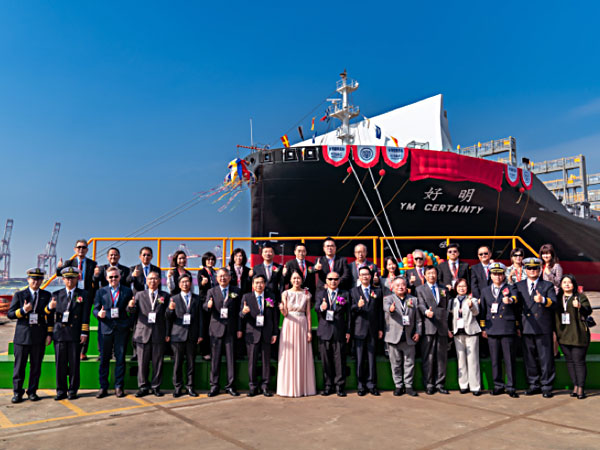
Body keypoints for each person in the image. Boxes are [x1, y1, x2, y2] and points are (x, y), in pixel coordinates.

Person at [8, 268, 53, 404]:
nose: (36, 281)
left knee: (36, 366)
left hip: (39, 336)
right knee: (19, 367)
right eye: (33, 279)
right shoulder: (20, 295)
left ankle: (32, 391)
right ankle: (17, 392)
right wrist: (22, 310)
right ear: (28, 280)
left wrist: (49, 333)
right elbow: (10, 314)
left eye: (39, 279)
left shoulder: (46, 295)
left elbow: (49, 317)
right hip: (22, 337)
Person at [515, 257, 558, 398]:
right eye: (529, 268)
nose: (532, 271)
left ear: (540, 270)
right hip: (527, 326)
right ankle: (533, 384)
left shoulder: (547, 286)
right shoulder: (519, 285)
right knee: (530, 358)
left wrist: (543, 300)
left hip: (542, 326)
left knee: (545, 358)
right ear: (525, 270)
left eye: (535, 268)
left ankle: (546, 385)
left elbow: (554, 303)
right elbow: (516, 307)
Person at [127, 271, 170, 398]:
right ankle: (143, 386)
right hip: (142, 333)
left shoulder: (165, 296)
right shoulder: (139, 295)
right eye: (150, 279)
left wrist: (171, 310)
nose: (153, 281)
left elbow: (168, 316)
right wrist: (130, 307)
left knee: (158, 362)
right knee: (142, 363)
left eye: (155, 279)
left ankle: (156, 387)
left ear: (159, 281)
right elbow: (133, 312)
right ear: (146, 281)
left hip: (158, 333)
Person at [480, 263, 520, 398]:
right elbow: (483, 310)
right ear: (490, 275)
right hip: (492, 327)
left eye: (500, 274)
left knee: (509, 359)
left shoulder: (510, 287)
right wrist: (483, 328)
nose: (497, 276)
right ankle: (498, 385)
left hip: (507, 327)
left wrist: (510, 300)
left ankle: (511, 386)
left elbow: (516, 299)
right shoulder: (485, 291)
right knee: (495, 360)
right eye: (495, 274)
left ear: (504, 275)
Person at [50, 267, 89, 400]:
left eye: (72, 277)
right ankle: (60, 390)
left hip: (74, 333)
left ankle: (73, 390)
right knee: (60, 364)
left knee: (74, 364)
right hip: (60, 333)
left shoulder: (83, 294)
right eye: (67, 278)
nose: (69, 280)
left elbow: (85, 315)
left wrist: (84, 332)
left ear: (77, 279)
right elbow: (50, 316)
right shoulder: (56, 294)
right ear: (63, 279)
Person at [93, 267, 133, 398]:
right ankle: (103, 387)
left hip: (121, 329)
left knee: (120, 359)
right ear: (106, 278)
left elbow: (131, 309)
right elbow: (95, 309)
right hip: (106, 329)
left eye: (115, 276)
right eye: (111, 277)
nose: (113, 279)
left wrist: (127, 323)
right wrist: (99, 314)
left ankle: (118, 386)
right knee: (104, 359)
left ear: (120, 277)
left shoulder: (127, 291)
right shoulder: (101, 292)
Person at [276, 269, 316, 397]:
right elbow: (285, 313)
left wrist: (309, 331)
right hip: (289, 324)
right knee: (289, 354)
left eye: (298, 278)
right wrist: (282, 309)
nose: (296, 281)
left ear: (302, 279)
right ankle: (287, 388)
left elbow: (308, 314)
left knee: (301, 353)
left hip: (303, 324)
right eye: (294, 278)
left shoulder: (306, 294)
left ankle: (302, 387)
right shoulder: (285, 293)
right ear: (290, 280)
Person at [56, 239, 97, 360]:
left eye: (84, 247)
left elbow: (95, 279)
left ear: (87, 250)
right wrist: (59, 267)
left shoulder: (92, 264)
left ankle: (83, 350)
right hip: (72, 294)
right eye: (79, 247)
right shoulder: (69, 262)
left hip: (85, 295)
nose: (81, 250)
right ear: (75, 249)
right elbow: (60, 274)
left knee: (85, 321)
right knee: (72, 320)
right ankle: (70, 346)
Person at [204, 268, 241, 397]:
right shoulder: (211, 291)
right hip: (216, 329)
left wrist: (239, 329)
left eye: (225, 276)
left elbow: (238, 312)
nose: (223, 278)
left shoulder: (236, 291)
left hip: (231, 329)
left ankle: (230, 386)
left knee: (231, 359)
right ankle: (214, 386)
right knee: (215, 359)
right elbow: (205, 308)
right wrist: (207, 305)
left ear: (230, 277)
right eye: (220, 276)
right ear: (216, 278)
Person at [240, 275, 279, 397]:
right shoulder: (247, 297)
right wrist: (243, 312)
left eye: (261, 282)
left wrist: (274, 333)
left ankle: (265, 386)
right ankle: (253, 386)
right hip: (252, 334)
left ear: (265, 284)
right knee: (252, 361)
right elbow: (240, 316)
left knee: (265, 361)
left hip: (267, 333)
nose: (259, 285)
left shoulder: (270, 297)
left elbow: (274, 317)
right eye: (256, 283)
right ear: (252, 285)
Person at [555, 274, 592, 399]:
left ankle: (581, 388)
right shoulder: (558, 298)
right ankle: (575, 385)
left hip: (578, 335)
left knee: (579, 362)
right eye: (564, 282)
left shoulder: (580, 297)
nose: (566, 284)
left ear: (574, 284)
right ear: (561, 285)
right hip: (564, 335)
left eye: (569, 282)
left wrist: (580, 306)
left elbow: (588, 310)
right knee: (570, 362)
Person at [315, 271, 351, 397]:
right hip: (324, 331)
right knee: (326, 361)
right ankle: (328, 386)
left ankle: (340, 386)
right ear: (326, 280)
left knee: (339, 360)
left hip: (339, 331)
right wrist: (322, 308)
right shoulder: (321, 294)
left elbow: (349, 315)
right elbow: (316, 308)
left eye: (335, 279)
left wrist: (348, 331)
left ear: (339, 281)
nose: (333, 281)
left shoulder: (345, 294)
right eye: (330, 279)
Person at [167, 273, 203, 397]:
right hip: (177, 335)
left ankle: (190, 387)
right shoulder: (174, 298)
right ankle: (177, 387)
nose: (185, 284)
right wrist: (170, 310)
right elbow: (168, 318)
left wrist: (200, 334)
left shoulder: (197, 298)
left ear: (191, 284)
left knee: (191, 363)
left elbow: (200, 318)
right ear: (179, 284)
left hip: (192, 335)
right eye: (183, 282)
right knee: (177, 363)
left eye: (187, 282)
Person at [384, 277, 421, 397]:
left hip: (409, 337)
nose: (400, 287)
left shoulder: (413, 300)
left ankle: (409, 386)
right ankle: (398, 385)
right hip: (393, 337)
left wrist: (418, 332)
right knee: (395, 363)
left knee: (409, 363)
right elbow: (387, 310)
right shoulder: (388, 299)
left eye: (403, 285)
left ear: (406, 287)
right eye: (397, 285)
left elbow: (418, 319)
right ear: (393, 287)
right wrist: (391, 310)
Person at [416, 265, 451, 395]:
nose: (431, 275)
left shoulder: (443, 289)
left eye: (434, 273)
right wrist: (426, 312)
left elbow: (446, 307)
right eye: (429, 273)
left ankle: (440, 383)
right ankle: (429, 384)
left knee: (442, 357)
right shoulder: (420, 289)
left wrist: (448, 327)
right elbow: (419, 304)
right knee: (428, 357)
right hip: (428, 327)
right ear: (425, 275)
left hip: (442, 327)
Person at [350, 266, 383, 396]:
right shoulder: (353, 291)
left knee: (371, 359)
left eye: (367, 274)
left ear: (371, 276)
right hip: (359, 330)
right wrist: (357, 307)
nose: (365, 276)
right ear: (359, 277)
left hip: (373, 330)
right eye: (362, 274)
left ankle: (372, 385)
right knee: (359, 360)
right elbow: (351, 310)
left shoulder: (378, 291)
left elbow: (380, 312)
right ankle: (361, 385)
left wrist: (380, 328)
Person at [449, 278, 481, 396]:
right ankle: (463, 385)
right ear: (456, 288)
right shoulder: (453, 301)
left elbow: (476, 312)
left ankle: (475, 386)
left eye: (464, 286)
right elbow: (450, 316)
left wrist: (471, 305)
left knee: (473, 360)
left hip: (471, 332)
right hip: (458, 333)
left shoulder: (472, 299)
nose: (461, 288)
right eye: (459, 286)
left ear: (467, 288)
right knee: (461, 360)